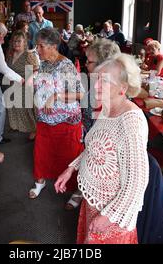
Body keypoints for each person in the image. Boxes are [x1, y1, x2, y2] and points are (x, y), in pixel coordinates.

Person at [55, 54, 149, 244]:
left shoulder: (131, 122)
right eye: (96, 80)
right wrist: (72, 168)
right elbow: (95, 148)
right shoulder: (107, 109)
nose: (96, 86)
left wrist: (109, 216)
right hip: (94, 201)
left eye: (104, 82)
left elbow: (137, 182)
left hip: (113, 213)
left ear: (123, 88)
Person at [63, 39, 121, 211]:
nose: (86, 64)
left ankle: (86, 193)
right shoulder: (95, 84)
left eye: (89, 61)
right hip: (89, 138)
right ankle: (82, 190)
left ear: (104, 65)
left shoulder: (109, 94)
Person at [29, 28, 85, 200]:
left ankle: (76, 190)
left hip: (66, 120)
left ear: (53, 46)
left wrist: (56, 96)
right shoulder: (44, 63)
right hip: (45, 118)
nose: (37, 50)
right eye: (37, 46)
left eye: (41, 46)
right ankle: (40, 181)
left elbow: (80, 94)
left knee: (69, 155)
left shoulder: (66, 66)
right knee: (42, 152)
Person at [5, 31, 39, 140]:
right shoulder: (10, 54)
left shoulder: (28, 55)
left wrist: (29, 79)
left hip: (26, 84)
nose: (16, 43)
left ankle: (34, 129)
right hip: (12, 84)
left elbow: (36, 70)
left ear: (24, 42)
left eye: (19, 41)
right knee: (13, 106)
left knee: (27, 108)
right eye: (14, 41)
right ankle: (16, 125)